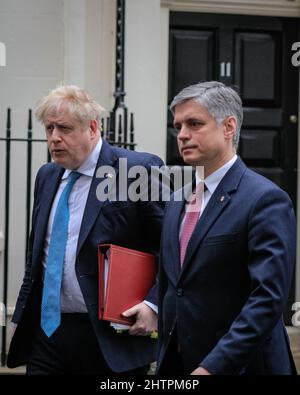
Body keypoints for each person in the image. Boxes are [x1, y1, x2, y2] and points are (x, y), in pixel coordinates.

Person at [7, 84, 166, 374]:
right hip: (49, 333)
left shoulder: (135, 170)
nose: (54, 138)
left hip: (110, 337)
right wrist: (20, 315)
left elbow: (171, 248)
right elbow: (39, 255)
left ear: (92, 128)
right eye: (49, 128)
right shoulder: (47, 175)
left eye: (65, 128)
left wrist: (154, 304)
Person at [156, 81, 297, 375]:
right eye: (178, 126)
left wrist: (212, 367)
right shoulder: (176, 199)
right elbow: (175, 284)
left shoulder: (265, 200)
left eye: (194, 123)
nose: (182, 135)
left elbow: (268, 299)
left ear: (228, 127)